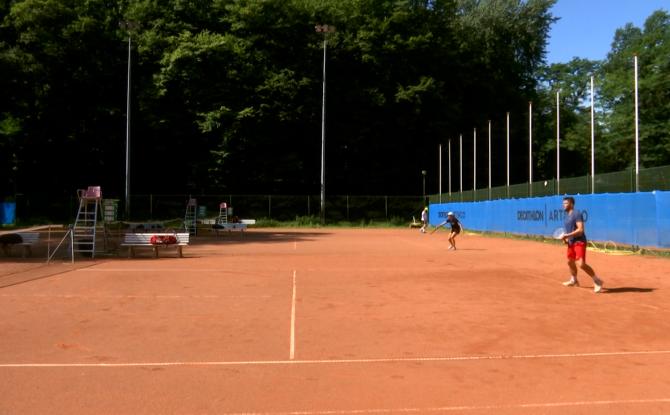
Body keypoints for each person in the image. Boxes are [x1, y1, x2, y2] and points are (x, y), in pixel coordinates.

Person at [561, 196, 604, 293]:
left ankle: (597, 281)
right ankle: (574, 280)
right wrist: (566, 239)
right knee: (570, 262)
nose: (563, 205)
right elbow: (570, 231)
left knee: (581, 264)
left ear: (571, 204)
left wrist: (567, 235)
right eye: (563, 203)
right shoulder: (567, 216)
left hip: (579, 242)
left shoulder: (577, 214)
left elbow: (580, 230)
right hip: (571, 243)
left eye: (566, 203)